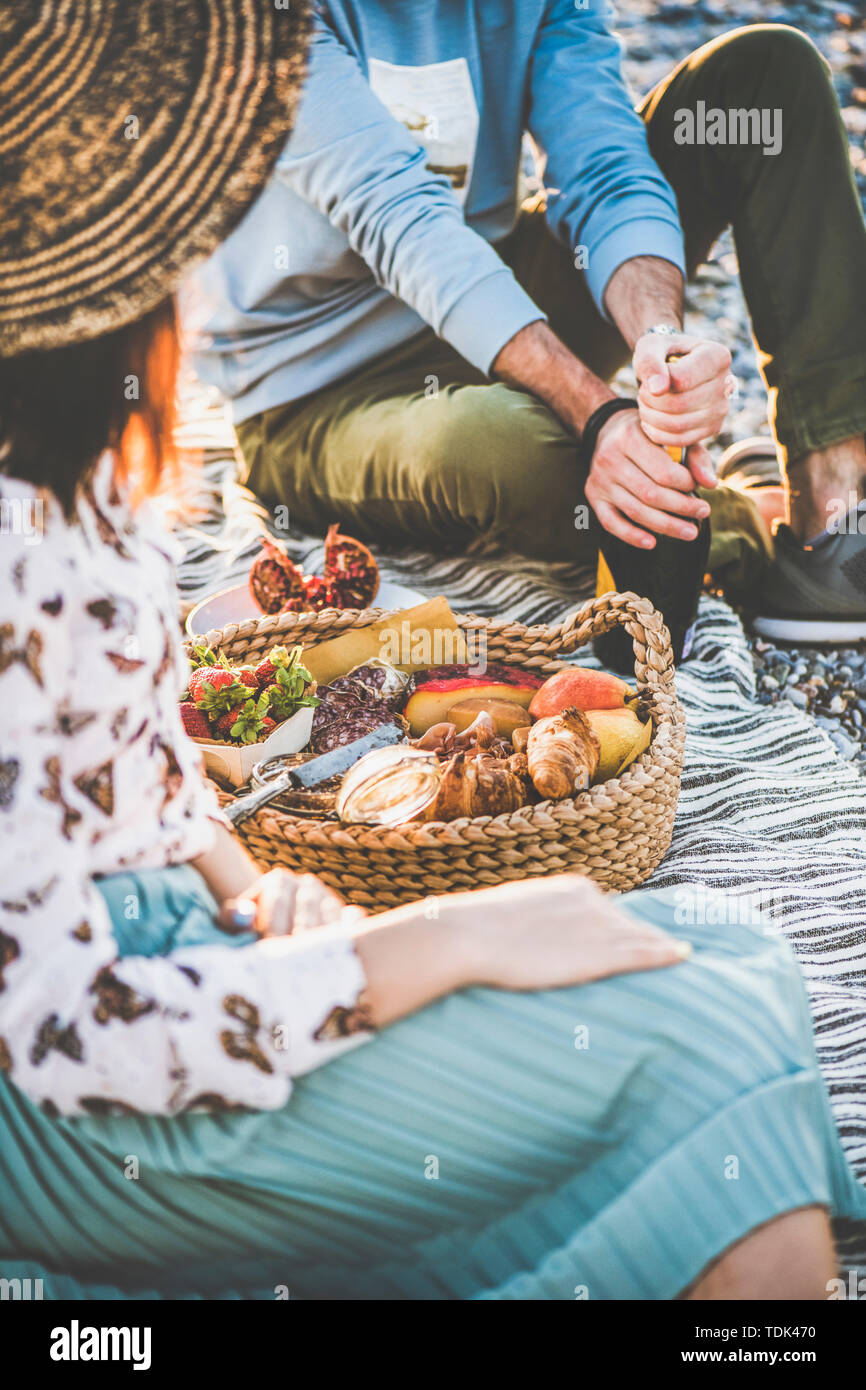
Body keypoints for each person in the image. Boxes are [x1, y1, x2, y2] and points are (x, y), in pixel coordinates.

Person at [0, 0, 863, 1303]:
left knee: (739, 969)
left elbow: (133, 780)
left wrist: (255, 891)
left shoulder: (91, 481)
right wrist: (437, 945)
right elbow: (65, 1028)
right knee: (712, 1033)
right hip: (106, 1081)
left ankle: (797, 509)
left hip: (197, 947)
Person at [185, 3, 866, 642]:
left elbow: (601, 171)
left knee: (767, 77)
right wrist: (598, 417)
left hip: (500, 286)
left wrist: (661, 344)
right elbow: (397, 218)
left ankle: (831, 511)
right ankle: (748, 514)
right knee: (511, 445)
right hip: (318, 390)